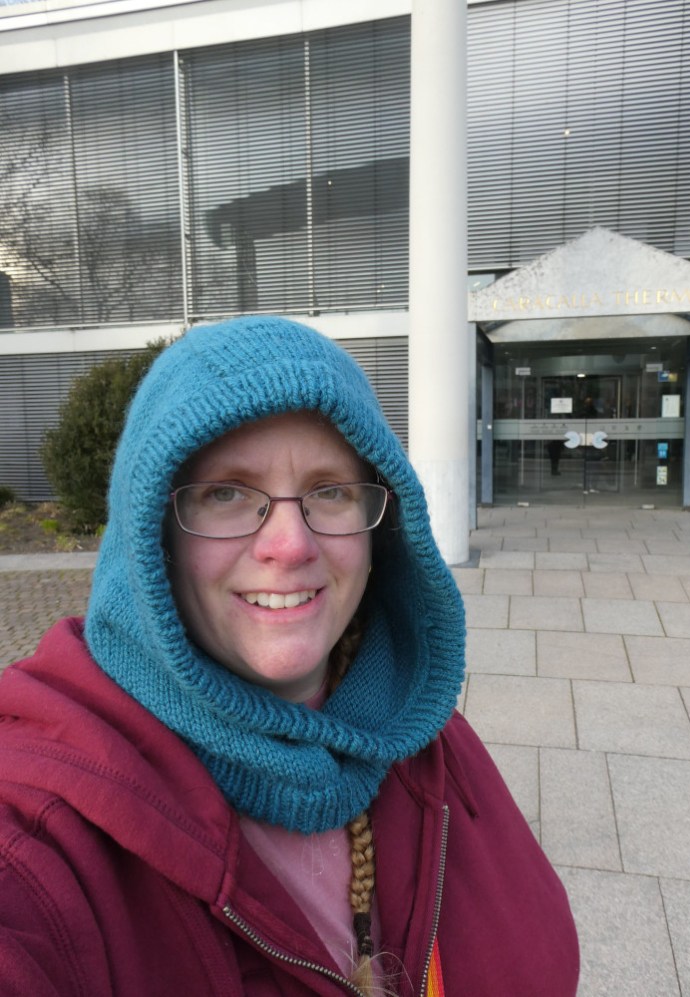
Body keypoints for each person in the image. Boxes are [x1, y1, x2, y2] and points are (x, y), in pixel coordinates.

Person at [0, 316, 579, 995]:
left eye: (330, 491)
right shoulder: (39, 839)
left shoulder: (418, 732)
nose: (291, 545)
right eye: (226, 493)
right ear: (154, 536)